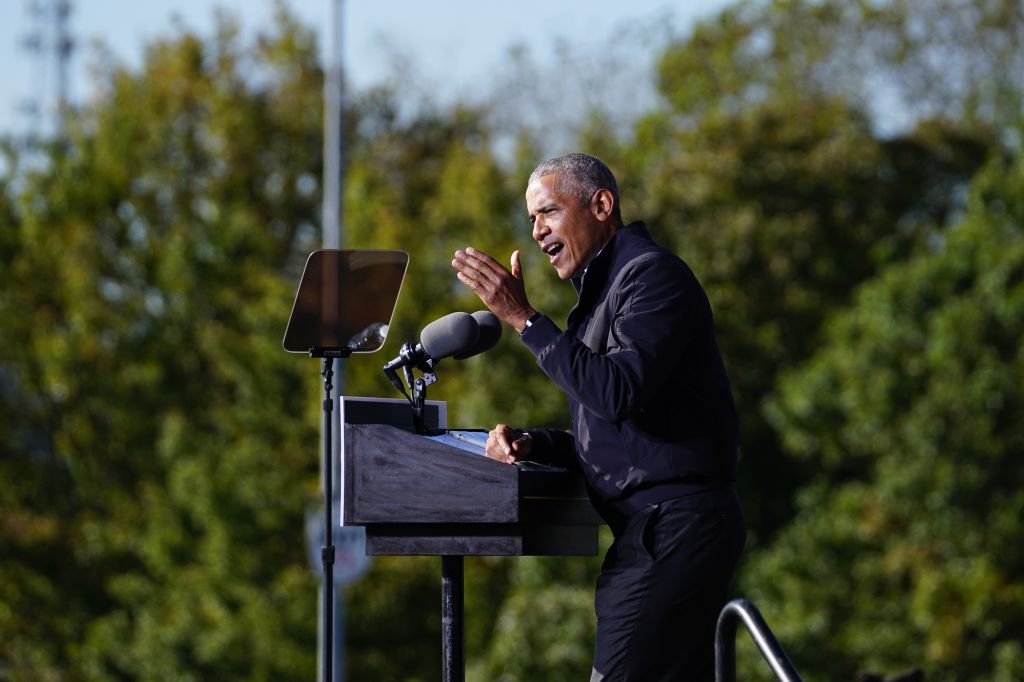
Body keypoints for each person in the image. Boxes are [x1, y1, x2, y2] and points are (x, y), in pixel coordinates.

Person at [451, 152, 745, 681]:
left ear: (602, 204)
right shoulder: (597, 298)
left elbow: (616, 394)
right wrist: (535, 445)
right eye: (532, 221)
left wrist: (522, 318)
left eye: (548, 213)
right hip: (650, 532)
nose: (538, 232)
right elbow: (616, 435)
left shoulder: (652, 276)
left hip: (674, 526)